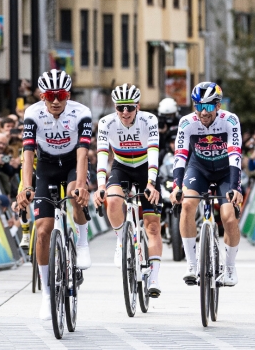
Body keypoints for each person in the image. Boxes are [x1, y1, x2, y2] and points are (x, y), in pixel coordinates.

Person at [15, 69, 92, 321]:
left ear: (68, 95)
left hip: (72, 164)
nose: (56, 101)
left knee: (74, 192)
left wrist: (81, 184)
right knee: (43, 230)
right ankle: (47, 294)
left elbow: (83, 153)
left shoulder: (81, 113)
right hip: (46, 167)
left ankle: (82, 243)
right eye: (50, 96)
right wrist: (27, 186)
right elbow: (28, 154)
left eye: (61, 95)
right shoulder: (32, 114)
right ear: (42, 96)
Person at [92, 84, 163, 297]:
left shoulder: (149, 120)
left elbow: (153, 151)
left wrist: (151, 183)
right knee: (113, 200)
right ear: (115, 107)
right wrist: (101, 185)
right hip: (121, 166)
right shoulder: (106, 123)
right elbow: (102, 154)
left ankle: (154, 277)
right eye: (120, 107)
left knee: (152, 227)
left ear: (137, 106)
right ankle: (122, 240)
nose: (125, 112)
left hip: (145, 168)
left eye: (130, 107)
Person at [171, 82, 243, 287]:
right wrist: (176, 186)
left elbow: (235, 154)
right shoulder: (187, 122)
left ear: (218, 106)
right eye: (199, 106)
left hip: (225, 172)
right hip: (199, 169)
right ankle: (192, 264)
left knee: (228, 217)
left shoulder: (230, 120)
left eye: (209, 106)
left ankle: (230, 267)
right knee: (187, 204)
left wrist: (235, 187)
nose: (203, 112)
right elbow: (180, 155)